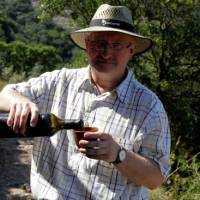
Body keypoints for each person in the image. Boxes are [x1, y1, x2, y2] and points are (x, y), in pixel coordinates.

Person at [0, 4, 170, 200]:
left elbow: (156, 179)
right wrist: (20, 102)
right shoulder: (59, 82)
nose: (105, 53)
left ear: (131, 49)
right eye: (99, 43)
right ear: (88, 45)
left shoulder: (149, 107)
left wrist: (118, 154)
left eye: (116, 45)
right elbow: (5, 94)